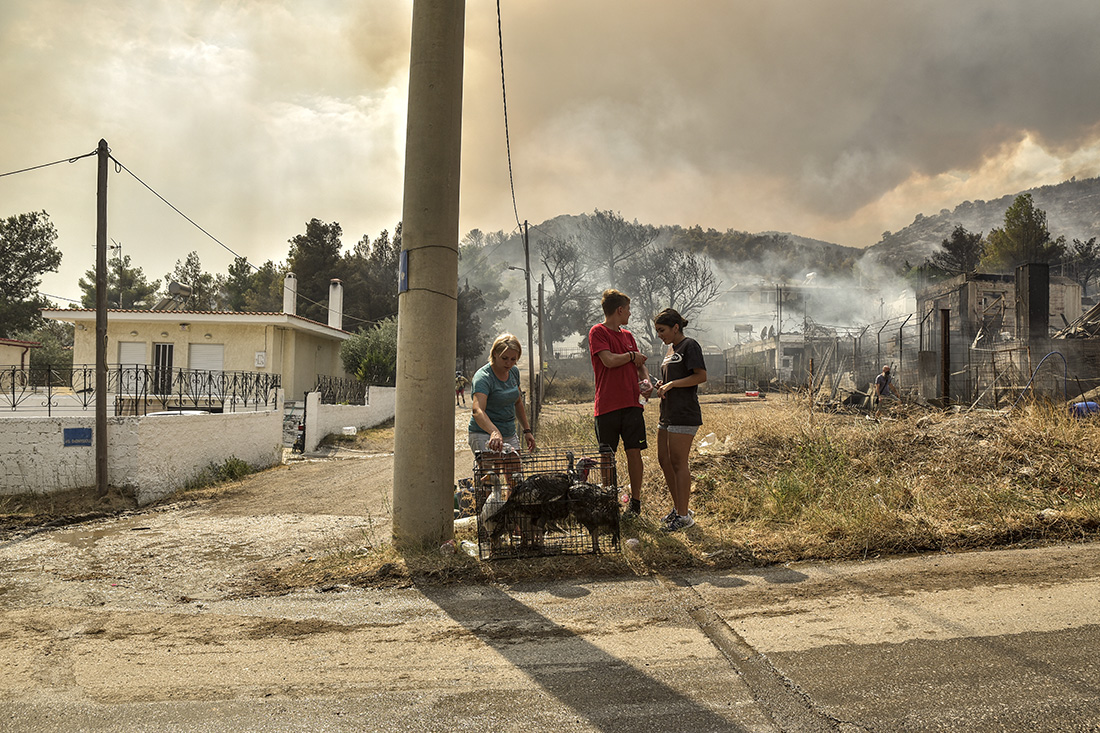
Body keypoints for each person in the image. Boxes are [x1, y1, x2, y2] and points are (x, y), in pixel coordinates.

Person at [589, 289, 650, 515]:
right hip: (607, 406)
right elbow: (609, 360)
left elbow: (640, 364)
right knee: (607, 456)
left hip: (632, 404)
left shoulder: (628, 336)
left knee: (634, 452)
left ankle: (635, 502)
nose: (630, 314)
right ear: (620, 310)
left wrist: (645, 381)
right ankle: (609, 501)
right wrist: (632, 356)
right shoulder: (598, 332)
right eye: (628, 310)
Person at [652, 308, 707, 532]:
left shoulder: (689, 345)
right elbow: (672, 378)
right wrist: (661, 384)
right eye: (657, 331)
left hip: (684, 413)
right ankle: (679, 508)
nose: (659, 335)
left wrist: (673, 384)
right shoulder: (670, 350)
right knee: (663, 460)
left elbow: (701, 376)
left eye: (662, 330)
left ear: (676, 327)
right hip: (667, 413)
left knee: (678, 462)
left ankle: (684, 517)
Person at [468, 333, 537, 455]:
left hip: (508, 432)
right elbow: (477, 410)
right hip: (484, 433)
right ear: (495, 354)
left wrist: (527, 430)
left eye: (513, 359)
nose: (509, 363)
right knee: (490, 472)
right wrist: (493, 432)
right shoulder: (483, 378)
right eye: (504, 358)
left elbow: (517, 401)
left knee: (515, 472)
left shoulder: (514, 372)